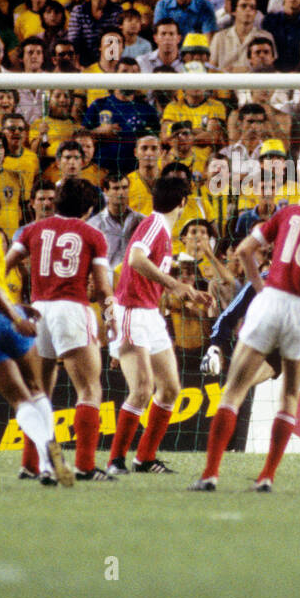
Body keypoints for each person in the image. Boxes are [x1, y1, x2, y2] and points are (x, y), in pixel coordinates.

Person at [190, 165, 300, 492]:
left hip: (272, 301)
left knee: (233, 391)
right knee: (291, 397)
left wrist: (259, 286)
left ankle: (210, 473)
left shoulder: (289, 213)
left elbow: (243, 251)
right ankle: (266, 476)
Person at [0, 179, 70, 488]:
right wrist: (14, 315)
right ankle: (49, 463)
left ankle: (38, 464)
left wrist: (16, 305)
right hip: (5, 318)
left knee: (19, 400)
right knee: (36, 390)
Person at [7, 177, 117, 482]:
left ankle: (30, 464)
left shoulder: (31, 230)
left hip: (39, 311)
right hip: (71, 310)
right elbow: (105, 287)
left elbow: (3, 265)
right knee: (90, 389)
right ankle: (84, 465)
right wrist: (111, 319)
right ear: (90, 208)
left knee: (39, 393)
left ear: (55, 201)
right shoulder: (93, 234)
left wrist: (6, 304)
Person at [106, 175, 211, 475]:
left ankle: (145, 458)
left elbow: (147, 272)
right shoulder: (154, 226)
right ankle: (115, 461)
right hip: (132, 312)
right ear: (183, 202)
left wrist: (187, 292)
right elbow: (136, 260)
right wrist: (175, 284)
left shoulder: (163, 231)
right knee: (141, 389)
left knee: (170, 388)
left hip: (150, 314)